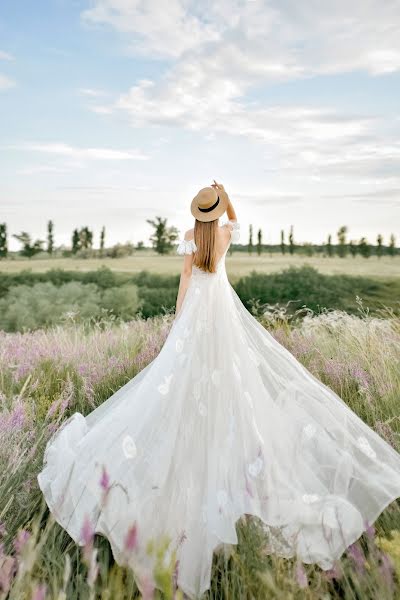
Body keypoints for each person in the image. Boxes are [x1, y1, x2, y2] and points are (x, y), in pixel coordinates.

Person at [37, 181, 400, 599]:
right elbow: (235, 220)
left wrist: (177, 328)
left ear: (195, 216)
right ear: (216, 215)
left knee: (181, 386)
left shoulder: (191, 238)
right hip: (223, 317)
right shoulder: (225, 234)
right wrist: (226, 195)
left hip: (197, 315)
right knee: (232, 382)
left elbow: (186, 281)